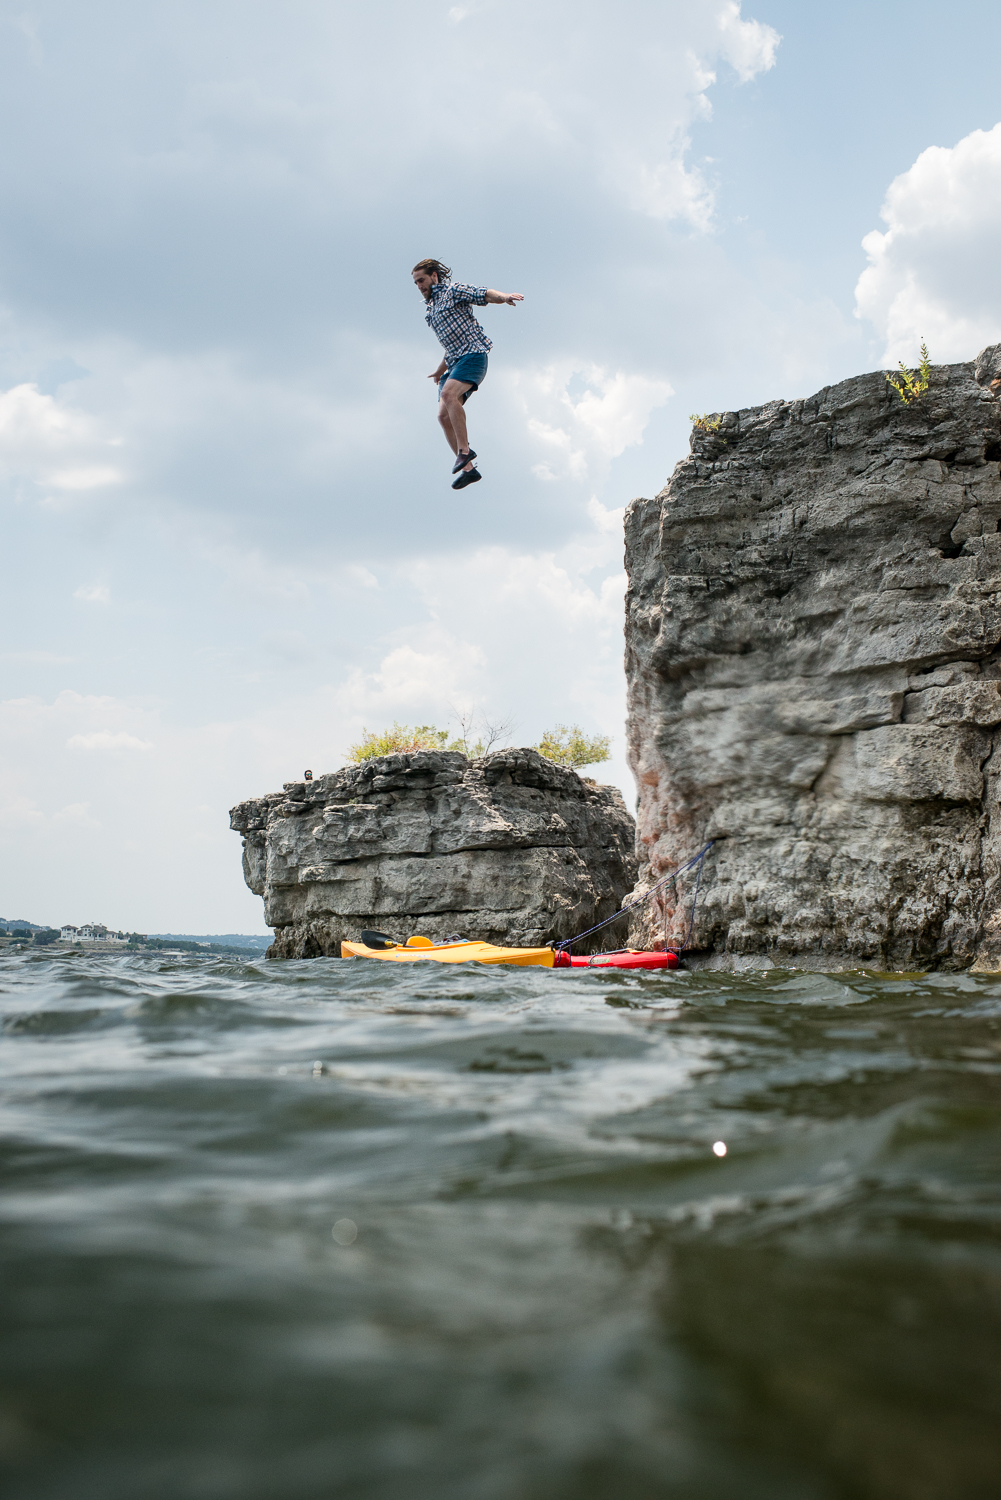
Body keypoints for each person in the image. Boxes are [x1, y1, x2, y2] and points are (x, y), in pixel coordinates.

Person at [412, 258, 523, 490]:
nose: (419, 286)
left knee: (448, 394)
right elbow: (451, 342)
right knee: (443, 416)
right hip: (454, 363)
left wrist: (504, 297)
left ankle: (464, 451)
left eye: (421, 280)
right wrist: (440, 369)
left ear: (434, 276)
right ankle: (469, 470)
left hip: (473, 356)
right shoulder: (430, 310)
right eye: (416, 283)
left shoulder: (454, 291)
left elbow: (483, 293)